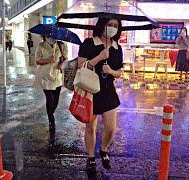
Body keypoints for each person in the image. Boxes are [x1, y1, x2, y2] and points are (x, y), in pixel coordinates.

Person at [77, 17, 123, 172]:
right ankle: (91, 156)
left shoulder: (117, 48)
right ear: (102, 25)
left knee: (111, 128)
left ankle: (103, 149)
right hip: (91, 91)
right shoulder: (89, 43)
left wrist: (111, 71)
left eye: (115, 26)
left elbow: (119, 73)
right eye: (109, 24)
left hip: (109, 91)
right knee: (90, 127)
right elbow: (80, 66)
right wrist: (98, 58)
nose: (112, 28)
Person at [33, 35, 63, 131]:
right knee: (50, 99)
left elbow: (65, 59)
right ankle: (51, 119)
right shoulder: (41, 46)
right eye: (48, 35)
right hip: (45, 77)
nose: (50, 36)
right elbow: (37, 60)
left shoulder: (61, 45)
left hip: (57, 76)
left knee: (56, 100)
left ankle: (51, 113)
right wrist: (48, 60)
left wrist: (62, 62)